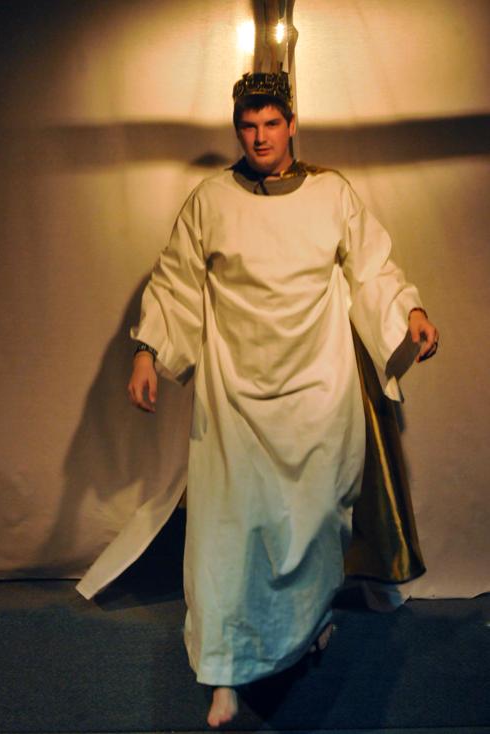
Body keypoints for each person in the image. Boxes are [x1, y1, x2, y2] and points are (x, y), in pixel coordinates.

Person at [127, 72, 439, 727]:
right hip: (235, 394)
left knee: (313, 524)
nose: (261, 137)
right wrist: (148, 351)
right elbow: (177, 282)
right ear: (237, 129)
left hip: (317, 389)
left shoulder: (332, 194)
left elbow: (372, 269)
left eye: (272, 124)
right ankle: (224, 669)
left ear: (291, 125)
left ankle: (303, 632)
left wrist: (409, 314)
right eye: (249, 126)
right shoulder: (211, 200)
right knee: (228, 531)